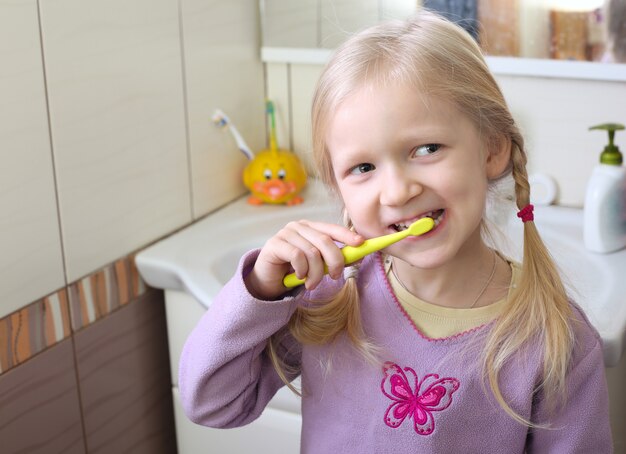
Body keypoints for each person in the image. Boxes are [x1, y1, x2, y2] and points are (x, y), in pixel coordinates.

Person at [179, 11, 613, 453]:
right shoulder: (328, 297)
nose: (398, 191)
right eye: (363, 167)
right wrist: (260, 292)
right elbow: (212, 404)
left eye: (426, 149)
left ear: (492, 150)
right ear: (339, 188)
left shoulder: (559, 342)